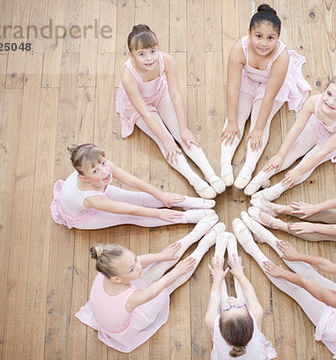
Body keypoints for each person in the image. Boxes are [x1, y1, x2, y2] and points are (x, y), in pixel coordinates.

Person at [235, 212, 336, 360]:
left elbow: (304, 284)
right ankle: (268, 237)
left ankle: (253, 250)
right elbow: (326, 264)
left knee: (297, 290)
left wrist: (281, 272)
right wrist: (297, 255)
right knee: (314, 275)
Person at [75, 216, 225, 353]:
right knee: (166, 286)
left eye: (134, 260)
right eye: (132, 269)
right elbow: (159, 286)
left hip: (114, 307)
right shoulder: (132, 298)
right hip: (133, 316)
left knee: (157, 267)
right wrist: (177, 271)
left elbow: (139, 261)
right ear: (116, 279)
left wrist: (161, 256)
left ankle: (193, 236)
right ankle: (203, 246)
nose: (138, 266)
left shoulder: (106, 270)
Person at [116, 24, 224, 198]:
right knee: (165, 143)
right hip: (139, 107)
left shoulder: (166, 60)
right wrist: (166, 139)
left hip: (160, 94)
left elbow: (175, 93)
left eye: (153, 51)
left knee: (183, 136)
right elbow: (143, 111)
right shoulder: (128, 75)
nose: (149, 58)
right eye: (141, 54)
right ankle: (195, 180)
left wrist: (183, 128)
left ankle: (210, 173)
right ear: (131, 55)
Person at [219, 4, 310, 189]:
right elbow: (233, 87)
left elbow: (269, 96)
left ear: (278, 38)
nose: (263, 43)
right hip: (248, 80)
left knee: (260, 121)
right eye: (258, 36)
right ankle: (224, 165)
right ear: (249, 34)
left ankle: (248, 168)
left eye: (270, 38)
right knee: (237, 117)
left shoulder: (281, 57)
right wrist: (231, 120)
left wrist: (259, 128)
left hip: (270, 86)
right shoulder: (239, 49)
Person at [246, 75, 336, 199]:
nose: (330, 102)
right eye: (329, 94)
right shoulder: (313, 101)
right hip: (319, 124)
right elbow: (296, 128)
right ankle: (261, 177)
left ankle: (277, 189)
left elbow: (323, 151)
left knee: (308, 161)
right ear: (324, 90)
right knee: (295, 149)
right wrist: (280, 155)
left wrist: (299, 171)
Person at [51, 143, 215, 230]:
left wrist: (161, 196)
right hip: (84, 216)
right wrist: (161, 214)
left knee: (136, 198)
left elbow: (133, 182)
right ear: (84, 178)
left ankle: (183, 201)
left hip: (97, 193)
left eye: (103, 163)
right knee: (131, 217)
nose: (103, 171)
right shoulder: (92, 199)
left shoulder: (102, 166)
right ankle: (183, 218)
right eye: (95, 171)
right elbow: (130, 210)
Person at [205, 232, 276, 360]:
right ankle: (233, 262)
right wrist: (239, 273)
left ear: (219, 320)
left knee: (221, 297)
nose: (231, 303)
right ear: (250, 319)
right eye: (238, 307)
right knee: (242, 295)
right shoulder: (255, 314)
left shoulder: (212, 322)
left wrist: (217, 278)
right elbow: (249, 293)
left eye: (227, 309)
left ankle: (219, 265)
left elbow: (215, 297)